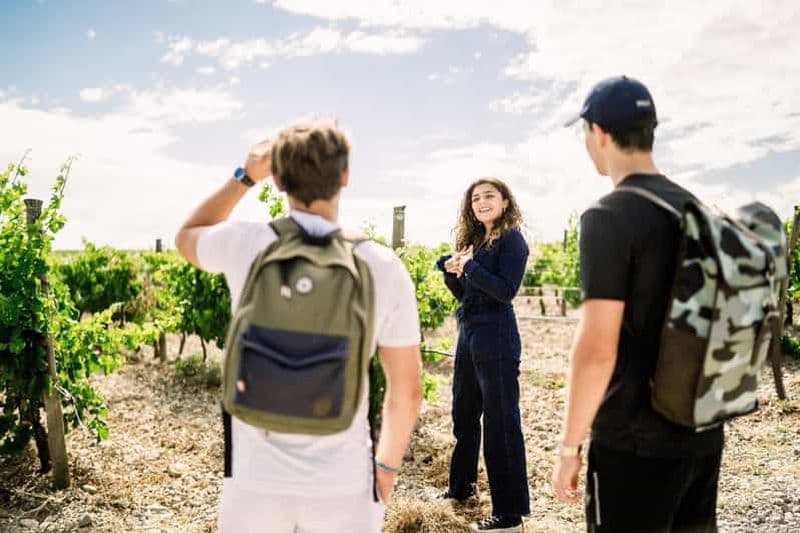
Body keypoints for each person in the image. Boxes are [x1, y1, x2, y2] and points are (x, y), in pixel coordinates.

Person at [174, 118, 423, 533]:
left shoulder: (246, 244)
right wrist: (386, 468)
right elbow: (407, 389)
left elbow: (186, 235)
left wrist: (244, 176)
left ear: (277, 180)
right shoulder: (380, 265)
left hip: (253, 482)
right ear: (345, 176)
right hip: (343, 483)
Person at [552, 76, 724, 532]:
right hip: (702, 430)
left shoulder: (608, 216)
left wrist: (569, 447)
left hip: (634, 442)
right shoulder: (699, 209)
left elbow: (597, 348)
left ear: (599, 133)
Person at [436, 178, 531, 533]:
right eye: (475, 198)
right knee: (463, 413)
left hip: (497, 335)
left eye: (489, 195)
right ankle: (461, 488)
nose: (481, 202)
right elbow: (467, 295)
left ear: (505, 202)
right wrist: (451, 271)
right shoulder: (474, 241)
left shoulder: (512, 241)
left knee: (500, 422)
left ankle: (509, 512)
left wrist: (471, 267)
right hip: (469, 333)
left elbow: (505, 291)